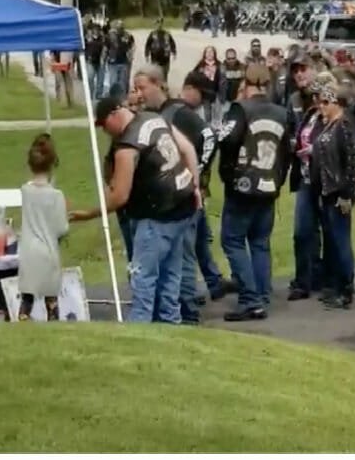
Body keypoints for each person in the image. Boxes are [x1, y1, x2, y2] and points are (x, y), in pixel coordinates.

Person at [70, 96, 201, 324]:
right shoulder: (155, 119)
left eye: (104, 125)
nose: (105, 132)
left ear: (114, 114)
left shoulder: (128, 145)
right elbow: (187, 149)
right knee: (171, 275)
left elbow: (120, 195)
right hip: (183, 206)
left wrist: (89, 214)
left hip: (156, 215)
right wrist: (195, 185)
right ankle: (171, 322)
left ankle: (140, 325)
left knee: (143, 276)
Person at [134, 66, 218, 325]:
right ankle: (179, 306)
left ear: (158, 84)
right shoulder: (154, 115)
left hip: (185, 194)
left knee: (185, 254)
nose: (138, 94)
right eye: (135, 89)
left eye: (142, 88)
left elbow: (207, 137)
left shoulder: (177, 112)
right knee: (182, 253)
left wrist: (196, 176)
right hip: (173, 196)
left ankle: (188, 309)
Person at [217, 63, 291, 321]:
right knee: (260, 243)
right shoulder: (282, 113)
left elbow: (226, 142)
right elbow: (288, 153)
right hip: (269, 183)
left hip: (243, 186)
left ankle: (250, 298)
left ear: (245, 84)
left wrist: (228, 175)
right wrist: (278, 181)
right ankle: (262, 293)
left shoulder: (241, 110)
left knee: (233, 240)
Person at [179, 70, 238, 302]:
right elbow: (205, 144)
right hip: (188, 188)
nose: (204, 103)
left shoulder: (184, 114)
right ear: (190, 89)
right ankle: (189, 291)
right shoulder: (183, 115)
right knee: (188, 243)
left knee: (202, 238)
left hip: (197, 189)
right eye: (202, 97)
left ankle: (213, 282)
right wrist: (197, 177)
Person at [311, 83, 355, 309]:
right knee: (333, 240)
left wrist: (347, 195)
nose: (320, 106)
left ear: (336, 103)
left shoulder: (343, 126)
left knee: (341, 241)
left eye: (325, 102)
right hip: (327, 191)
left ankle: (346, 288)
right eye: (320, 102)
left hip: (339, 193)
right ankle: (335, 285)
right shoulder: (328, 125)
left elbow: (352, 162)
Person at [16, 134, 69, 321]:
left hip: (28, 252)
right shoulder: (56, 196)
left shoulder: (25, 191)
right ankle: (53, 322)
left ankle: (23, 319)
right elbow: (61, 227)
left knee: (27, 298)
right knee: (51, 299)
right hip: (48, 251)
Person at [286, 66, 326, 301]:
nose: (299, 74)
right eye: (296, 71)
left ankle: (323, 277)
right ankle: (303, 280)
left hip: (324, 180)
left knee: (326, 232)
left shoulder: (329, 110)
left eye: (304, 70)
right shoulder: (299, 105)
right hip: (304, 178)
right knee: (302, 232)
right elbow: (292, 130)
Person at [193, 46, 223, 129]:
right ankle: (208, 126)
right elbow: (194, 76)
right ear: (204, 54)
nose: (209, 54)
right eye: (208, 52)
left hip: (216, 92)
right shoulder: (201, 64)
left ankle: (217, 127)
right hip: (205, 92)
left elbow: (223, 78)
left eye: (211, 52)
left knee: (217, 111)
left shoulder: (219, 64)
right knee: (207, 111)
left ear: (214, 54)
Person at [103, 21, 135, 98]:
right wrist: (103, 58)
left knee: (123, 82)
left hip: (124, 61)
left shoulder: (128, 35)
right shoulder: (109, 36)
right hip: (112, 62)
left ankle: (123, 99)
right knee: (113, 81)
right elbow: (105, 47)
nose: (119, 28)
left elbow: (132, 46)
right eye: (118, 27)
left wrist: (130, 56)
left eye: (121, 27)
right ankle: (113, 98)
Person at [220, 48, 245, 120]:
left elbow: (245, 80)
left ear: (236, 57)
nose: (231, 60)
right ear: (226, 58)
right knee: (225, 118)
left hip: (239, 99)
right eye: (229, 58)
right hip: (226, 99)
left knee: (239, 119)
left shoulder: (242, 67)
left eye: (233, 58)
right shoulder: (221, 67)